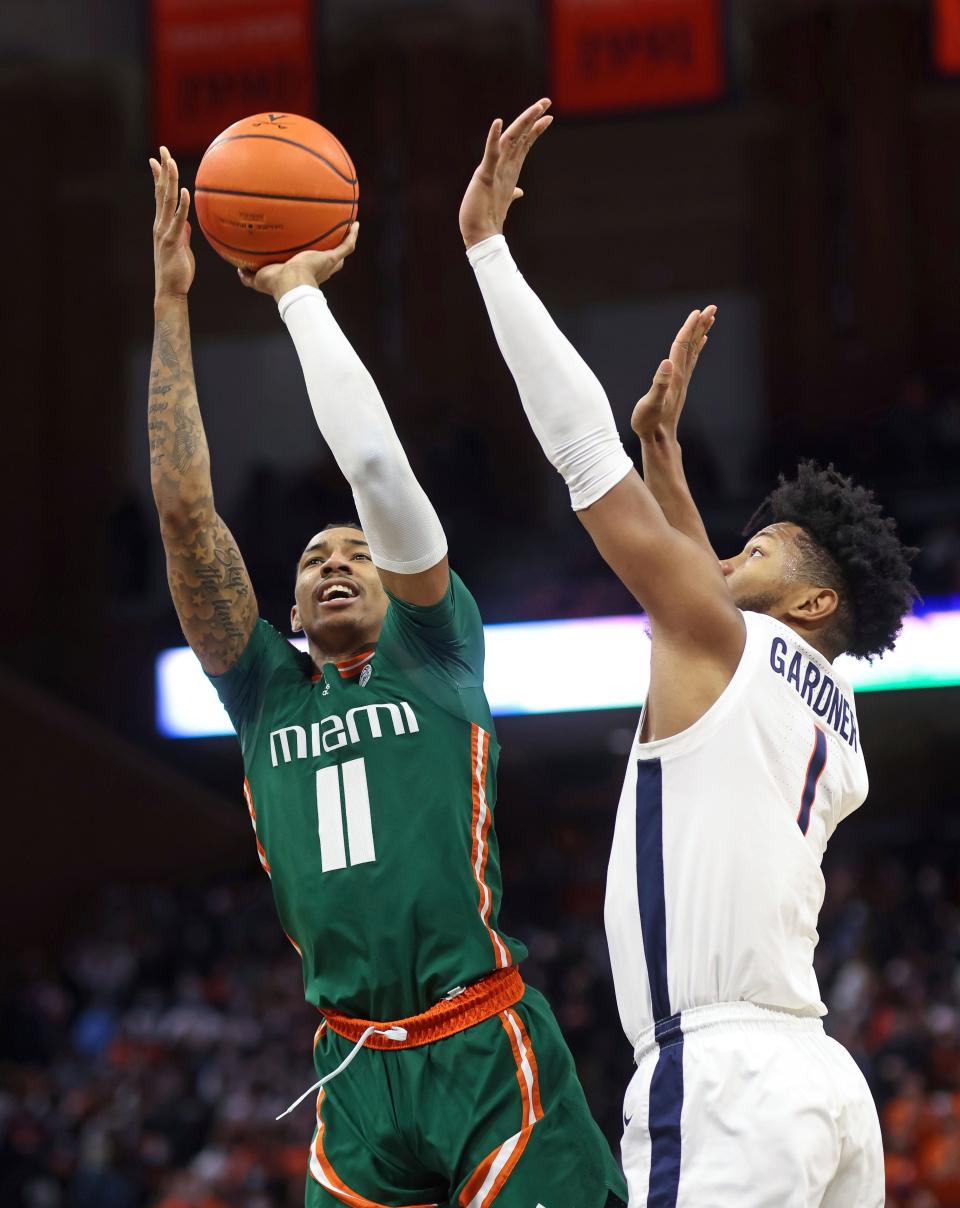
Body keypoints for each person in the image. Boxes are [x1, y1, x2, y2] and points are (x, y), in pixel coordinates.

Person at [148, 146, 626, 1208]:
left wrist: (300, 298)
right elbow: (185, 515)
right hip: (354, 1070)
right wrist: (173, 300)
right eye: (313, 557)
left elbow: (376, 471)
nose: (332, 562)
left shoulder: (437, 650)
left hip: (482, 1045)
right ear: (287, 610)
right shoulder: (269, 691)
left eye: (354, 551)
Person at [460, 100, 917, 1207]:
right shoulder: (835, 720)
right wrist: (665, 453)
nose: (739, 541)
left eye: (768, 542)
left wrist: (486, 247)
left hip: (723, 1078)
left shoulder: (722, 638)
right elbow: (706, 600)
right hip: (818, 1081)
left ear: (813, 596)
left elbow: (580, 454)